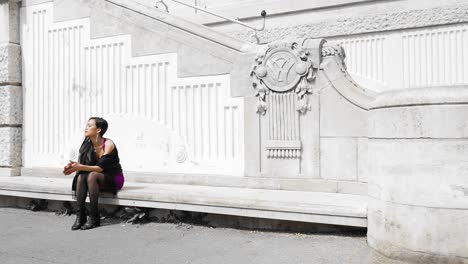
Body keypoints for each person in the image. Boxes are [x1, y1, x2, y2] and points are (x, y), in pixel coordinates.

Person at [63, 117, 125, 230]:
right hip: (95, 179)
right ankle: (80, 215)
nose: (86, 128)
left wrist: (80, 166)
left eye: (90, 126)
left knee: (92, 175)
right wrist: (73, 167)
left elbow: (100, 168)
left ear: (98, 130)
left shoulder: (108, 144)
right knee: (81, 176)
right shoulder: (86, 144)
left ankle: (94, 216)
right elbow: (84, 167)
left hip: (114, 178)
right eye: (86, 125)